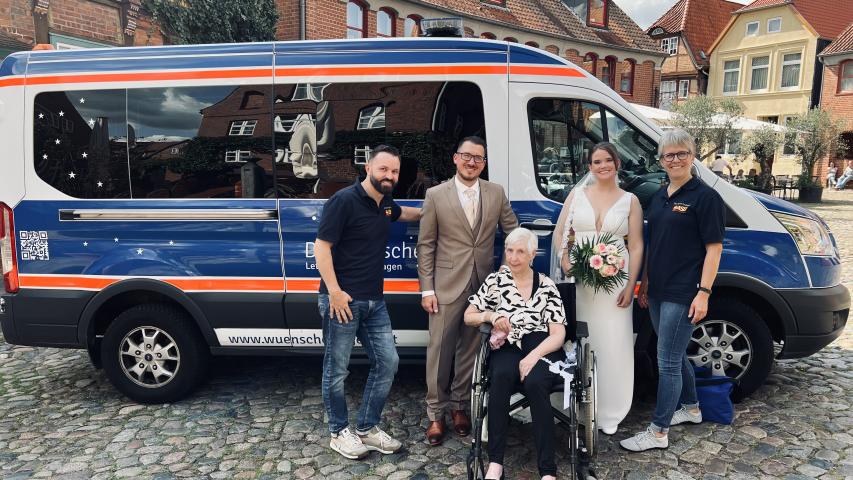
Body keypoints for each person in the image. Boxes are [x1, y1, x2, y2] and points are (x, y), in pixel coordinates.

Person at [314, 145, 421, 459]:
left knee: (388, 363)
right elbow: (321, 247)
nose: (389, 176)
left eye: (395, 171)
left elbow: (407, 213)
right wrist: (334, 291)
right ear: (368, 168)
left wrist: (440, 208)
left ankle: (367, 428)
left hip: (375, 301)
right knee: (336, 370)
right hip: (343, 301)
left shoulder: (385, 203)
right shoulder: (343, 200)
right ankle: (338, 432)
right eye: (383, 169)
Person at [621, 129, 725, 452]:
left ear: (692, 157)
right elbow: (653, 243)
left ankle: (658, 431)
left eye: (682, 153)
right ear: (661, 160)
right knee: (674, 355)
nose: (675, 159)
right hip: (657, 289)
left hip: (684, 291)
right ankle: (692, 408)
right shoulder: (660, 195)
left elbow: (714, 249)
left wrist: (704, 292)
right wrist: (645, 281)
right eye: (669, 155)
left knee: (666, 360)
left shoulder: (706, 198)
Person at [417, 136, 518, 445]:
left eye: (478, 158)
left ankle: (459, 406)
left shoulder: (496, 192)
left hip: (483, 286)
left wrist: (504, 272)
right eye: (467, 156)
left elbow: (513, 233)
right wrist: (427, 290)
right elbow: (426, 245)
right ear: (456, 158)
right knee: (439, 351)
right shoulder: (436, 195)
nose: (472, 162)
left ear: (484, 163)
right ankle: (436, 413)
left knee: (471, 351)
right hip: (446, 286)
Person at [553, 142, 644, 435]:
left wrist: (631, 284)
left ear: (617, 163)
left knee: (614, 341)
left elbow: (636, 245)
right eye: (596, 162)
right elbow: (560, 233)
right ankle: (578, 405)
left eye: (607, 160)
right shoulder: (577, 195)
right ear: (590, 167)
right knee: (583, 339)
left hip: (616, 282)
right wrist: (565, 260)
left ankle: (609, 410)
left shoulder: (630, 200)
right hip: (581, 281)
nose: (602, 166)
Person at [464, 228, 567, 480]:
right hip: (508, 345)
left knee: (535, 382)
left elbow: (558, 334)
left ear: (533, 254)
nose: (513, 257)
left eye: (520, 251)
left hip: (542, 345)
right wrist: (491, 316)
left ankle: (548, 471)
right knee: (500, 377)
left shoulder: (547, 285)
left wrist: (533, 356)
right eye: (510, 250)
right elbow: (469, 316)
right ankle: (495, 463)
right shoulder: (495, 281)